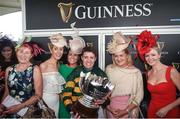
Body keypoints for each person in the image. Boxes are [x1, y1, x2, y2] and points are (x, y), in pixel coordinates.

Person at [136, 30, 180, 118]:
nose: (150, 58)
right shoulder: (148, 73)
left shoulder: (171, 71)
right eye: (147, 55)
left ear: (159, 55)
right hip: (152, 112)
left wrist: (167, 108)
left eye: (153, 55)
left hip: (170, 112)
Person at [0, 37, 43, 118]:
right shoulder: (8, 70)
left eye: (27, 53)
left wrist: (19, 107)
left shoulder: (35, 69)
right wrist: (1, 106)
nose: (23, 55)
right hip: (10, 110)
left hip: (28, 112)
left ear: (31, 55)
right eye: (21, 51)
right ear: (16, 52)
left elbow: (38, 95)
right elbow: (7, 92)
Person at [106, 32, 144, 118]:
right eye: (116, 56)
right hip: (112, 110)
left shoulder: (136, 72)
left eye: (121, 55)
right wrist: (109, 108)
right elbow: (105, 93)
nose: (118, 59)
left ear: (127, 56)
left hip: (129, 110)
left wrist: (125, 111)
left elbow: (139, 96)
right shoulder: (109, 69)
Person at [63, 46, 108, 118]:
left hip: (94, 114)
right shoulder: (75, 73)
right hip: (77, 114)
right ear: (82, 58)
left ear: (95, 59)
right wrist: (72, 111)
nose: (88, 60)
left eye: (91, 57)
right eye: (86, 57)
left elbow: (107, 98)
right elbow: (66, 94)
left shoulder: (100, 74)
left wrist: (103, 101)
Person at [58, 34, 85, 118]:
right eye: (70, 54)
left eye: (75, 55)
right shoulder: (61, 68)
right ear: (67, 55)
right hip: (62, 102)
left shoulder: (82, 70)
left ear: (79, 57)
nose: (72, 57)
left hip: (77, 104)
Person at [40, 33, 67, 117]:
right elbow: (37, 87)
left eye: (61, 49)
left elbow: (57, 89)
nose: (59, 52)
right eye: (56, 49)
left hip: (56, 101)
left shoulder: (58, 65)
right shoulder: (43, 65)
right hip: (46, 101)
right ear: (51, 50)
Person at [0, 35, 18, 101]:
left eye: (8, 50)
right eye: (3, 51)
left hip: (14, 92)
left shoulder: (18, 62)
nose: (6, 53)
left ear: (12, 50)